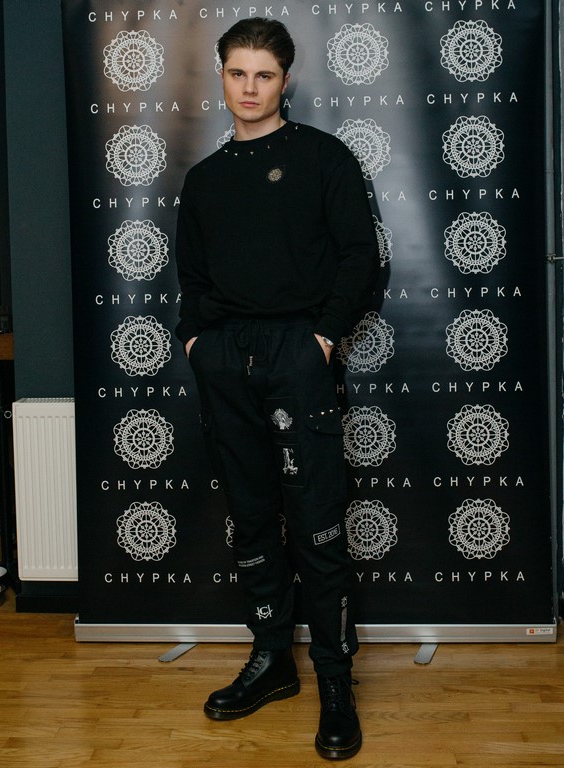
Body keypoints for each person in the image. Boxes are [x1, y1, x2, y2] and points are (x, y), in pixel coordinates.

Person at [175, 17, 379, 760]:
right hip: (226, 357)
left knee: (317, 526)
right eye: (238, 73)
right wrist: (198, 344)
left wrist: (321, 338)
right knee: (253, 520)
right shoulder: (205, 180)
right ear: (222, 77)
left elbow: (362, 257)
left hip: (299, 351)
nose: (250, 87)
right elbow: (192, 278)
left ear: (285, 80)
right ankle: (271, 661)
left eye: (264, 74)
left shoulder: (323, 158)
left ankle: (334, 682)